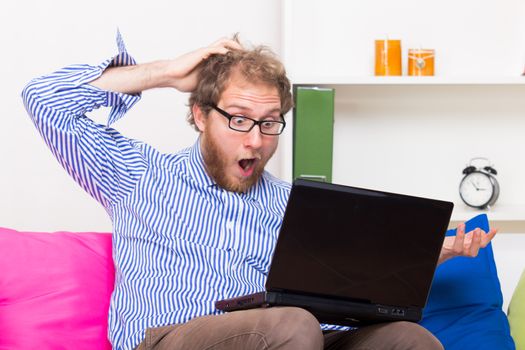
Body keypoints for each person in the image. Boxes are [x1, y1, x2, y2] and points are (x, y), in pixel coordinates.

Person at [22, 32, 497, 350]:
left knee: (410, 340)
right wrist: (166, 72)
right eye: (239, 119)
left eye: (270, 123)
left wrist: (432, 254)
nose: (256, 140)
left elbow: (343, 288)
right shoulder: (138, 174)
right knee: (291, 324)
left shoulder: (295, 203)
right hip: (173, 338)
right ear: (200, 114)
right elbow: (43, 100)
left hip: (292, 338)